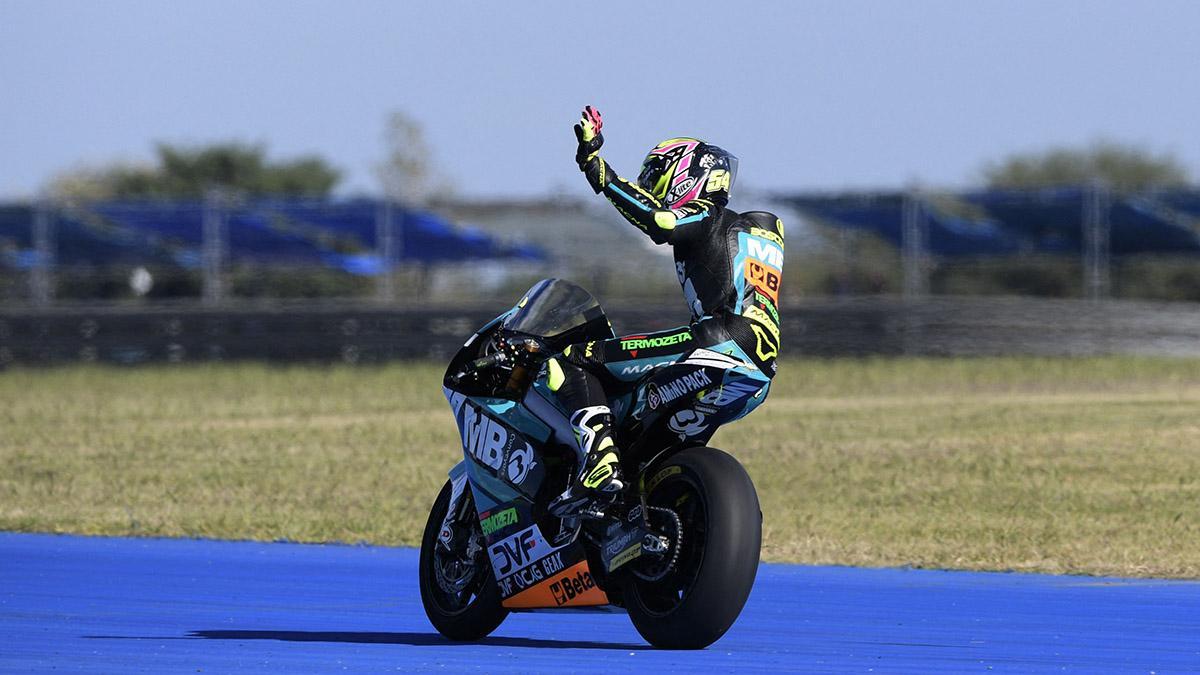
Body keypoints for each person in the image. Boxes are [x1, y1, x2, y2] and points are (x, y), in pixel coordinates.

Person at [547, 106, 785, 517]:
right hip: (759, 371)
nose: (652, 189)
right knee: (650, 460)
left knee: (576, 361)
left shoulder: (706, 215)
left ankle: (600, 465)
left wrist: (597, 170)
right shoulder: (759, 232)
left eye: (657, 177)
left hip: (719, 341)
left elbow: (660, 221)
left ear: (687, 176)